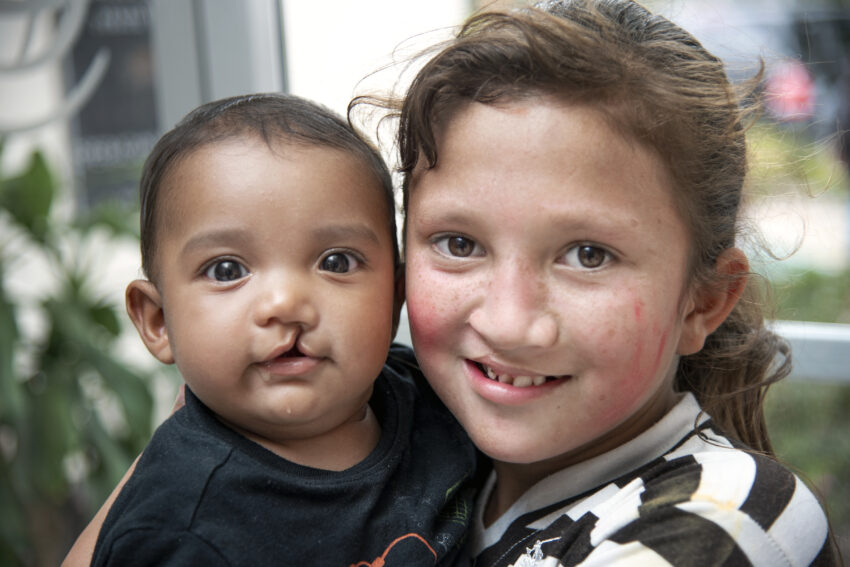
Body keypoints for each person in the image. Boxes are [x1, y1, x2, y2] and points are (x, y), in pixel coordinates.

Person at [382, 0, 838, 564]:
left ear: (704, 302)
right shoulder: (412, 452)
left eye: (588, 255)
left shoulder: (724, 520)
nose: (508, 321)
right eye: (459, 244)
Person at [82, 93, 477, 566]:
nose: (286, 305)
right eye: (227, 270)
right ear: (158, 321)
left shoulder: (436, 399)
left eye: (337, 262)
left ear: (395, 296)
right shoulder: (178, 530)